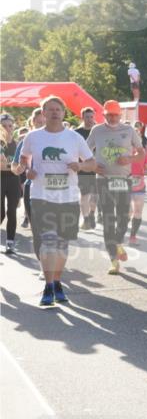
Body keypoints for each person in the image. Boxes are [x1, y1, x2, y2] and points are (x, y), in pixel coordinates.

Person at [18, 96, 96, 305]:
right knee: (48, 241)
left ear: (63, 113)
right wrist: (27, 170)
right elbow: (23, 159)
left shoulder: (74, 138)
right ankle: (48, 285)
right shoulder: (33, 137)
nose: (54, 113)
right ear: (43, 113)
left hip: (68, 197)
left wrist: (81, 166)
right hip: (41, 196)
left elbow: (92, 162)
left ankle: (58, 281)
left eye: (58, 109)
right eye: (50, 109)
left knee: (62, 244)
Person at [88, 100, 145, 274]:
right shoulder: (97, 130)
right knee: (107, 219)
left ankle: (118, 242)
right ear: (104, 115)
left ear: (120, 115)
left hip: (123, 179)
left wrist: (129, 159)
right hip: (103, 179)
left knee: (123, 216)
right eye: (109, 114)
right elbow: (84, 150)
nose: (112, 117)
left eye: (115, 115)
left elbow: (141, 153)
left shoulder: (129, 130)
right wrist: (92, 166)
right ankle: (113, 260)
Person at [1, 114, 25, 254]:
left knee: (12, 212)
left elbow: (22, 166)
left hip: (13, 181)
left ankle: (10, 242)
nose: (7, 128)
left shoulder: (18, 144)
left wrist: (22, 183)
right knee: (1, 213)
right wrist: (13, 166)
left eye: (10, 125)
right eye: (4, 126)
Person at [74, 107, 98, 230]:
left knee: (95, 195)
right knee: (84, 195)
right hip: (83, 168)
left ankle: (92, 214)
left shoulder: (99, 131)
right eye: (87, 117)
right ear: (82, 117)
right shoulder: (76, 133)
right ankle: (86, 218)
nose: (89, 119)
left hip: (97, 168)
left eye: (91, 117)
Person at [128, 121, 147, 245]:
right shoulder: (122, 152)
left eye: (138, 136)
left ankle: (133, 236)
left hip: (139, 185)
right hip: (124, 185)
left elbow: (146, 168)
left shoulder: (144, 153)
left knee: (137, 212)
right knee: (128, 212)